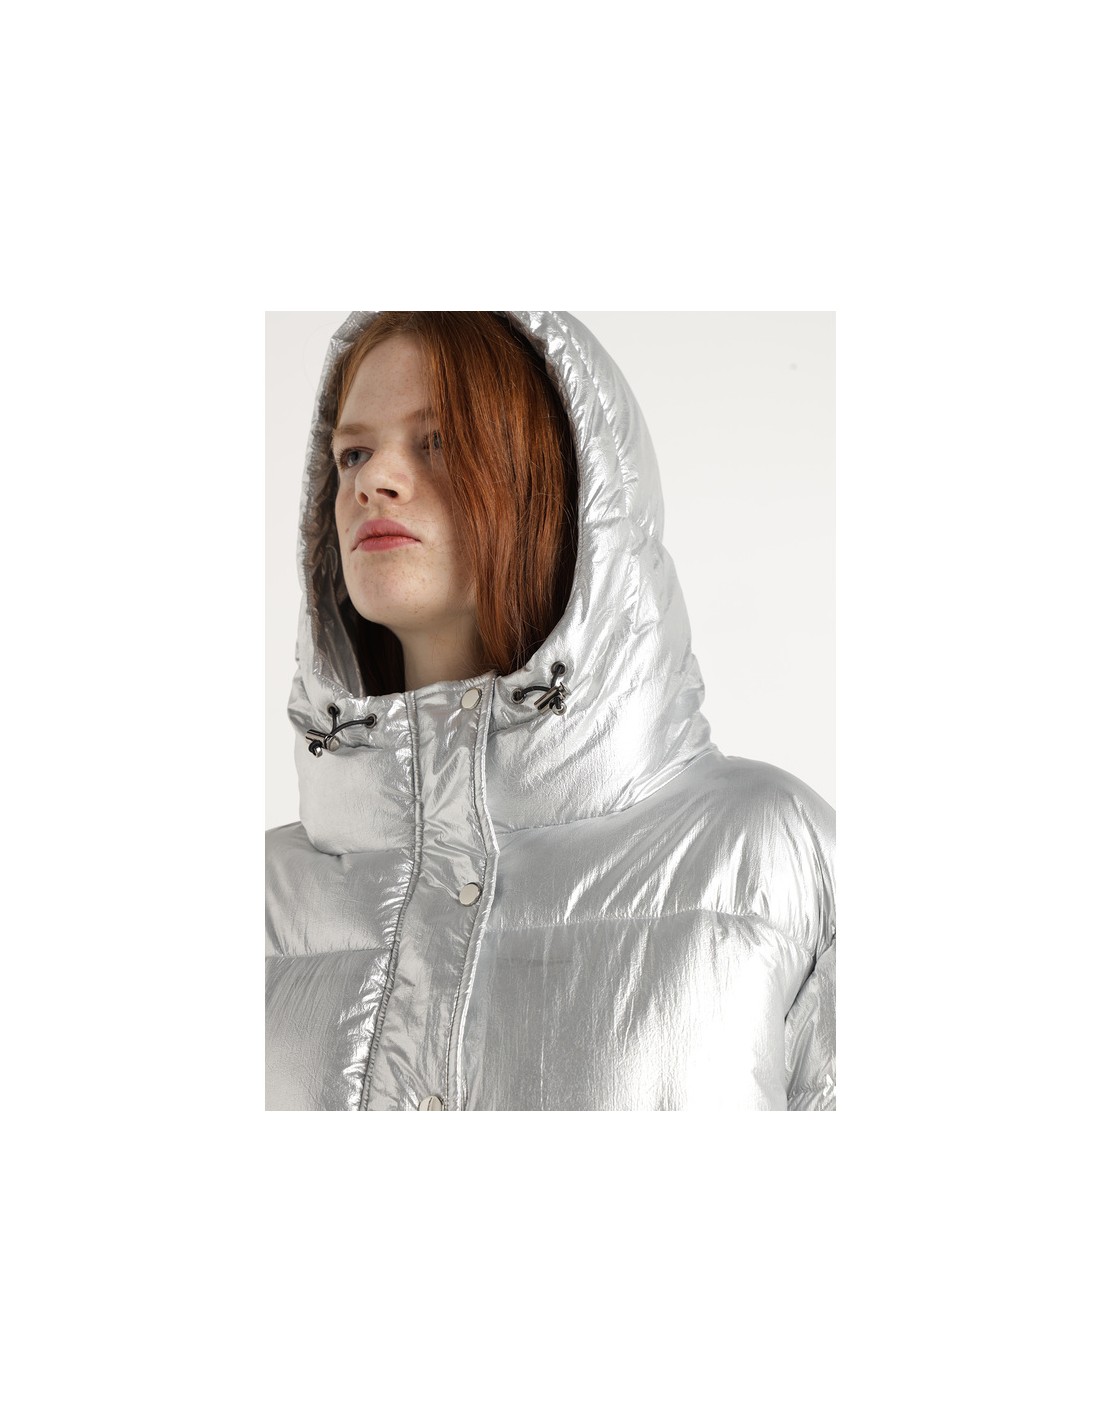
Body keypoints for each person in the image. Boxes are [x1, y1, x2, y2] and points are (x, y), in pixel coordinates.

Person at [266, 310, 835, 1111]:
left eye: (437, 442)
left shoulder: (765, 853)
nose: (371, 480)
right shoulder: (264, 897)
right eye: (353, 452)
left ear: (558, 484)